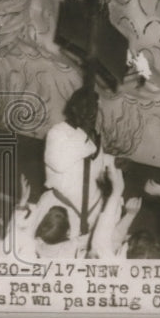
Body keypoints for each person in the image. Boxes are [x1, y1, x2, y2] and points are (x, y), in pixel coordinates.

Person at [43, 86, 112, 235]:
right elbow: (58, 163)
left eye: (94, 109)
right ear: (74, 109)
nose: (92, 113)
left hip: (90, 212)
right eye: (87, 108)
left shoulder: (94, 135)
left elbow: (95, 164)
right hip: (62, 211)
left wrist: (114, 163)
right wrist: (82, 133)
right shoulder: (58, 132)